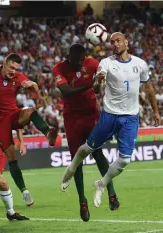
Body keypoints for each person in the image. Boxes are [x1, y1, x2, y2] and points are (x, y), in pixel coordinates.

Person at [60, 32, 160, 208]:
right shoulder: (106, 63)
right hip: (110, 114)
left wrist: (156, 111)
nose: (115, 44)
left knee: (125, 160)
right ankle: (71, 169)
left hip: (130, 117)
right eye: (112, 42)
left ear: (126, 42)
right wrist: (98, 81)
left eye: (118, 40)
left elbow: (149, 88)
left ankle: (102, 184)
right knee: (87, 149)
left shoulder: (140, 64)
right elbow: (97, 89)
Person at [0, 53, 58, 206]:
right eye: (12, 67)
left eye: (16, 68)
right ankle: (24, 191)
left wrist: (34, 87)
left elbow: (34, 89)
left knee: (30, 111)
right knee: (12, 158)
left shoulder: (18, 77)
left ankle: (48, 133)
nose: (13, 71)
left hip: (13, 115)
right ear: (5, 63)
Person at [53, 44, 119, 221]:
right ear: (69, 57)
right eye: (77, 60)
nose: (80, 63)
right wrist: (88, 85)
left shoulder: (92, 63)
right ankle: (82, 200)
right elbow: (65, 91)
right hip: (72, 119)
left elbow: (97, 88)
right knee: (77, 160)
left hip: (91, 115)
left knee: (98, 153)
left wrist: (96, 84)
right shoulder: (58, 68)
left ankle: (111, 192)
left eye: (82, 60)